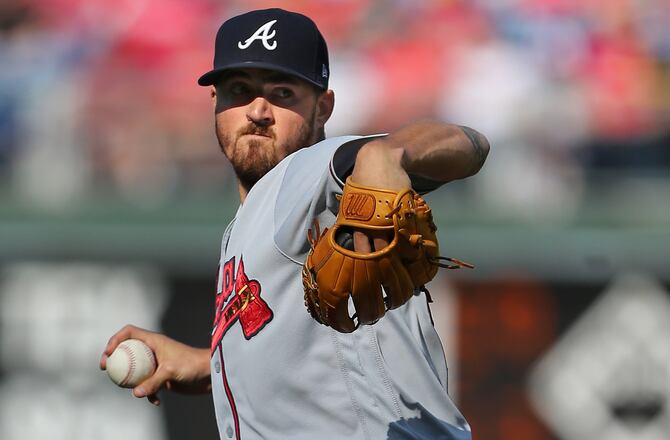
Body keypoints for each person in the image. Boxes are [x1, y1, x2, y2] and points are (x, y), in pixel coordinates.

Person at [100, 8, 489, 439]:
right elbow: (310, 373)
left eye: (283, 92)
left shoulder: (306, 174)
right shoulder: (247, 223)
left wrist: (385, 155)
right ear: (216, 103)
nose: (258, 110)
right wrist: (207, 363)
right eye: (239, 91)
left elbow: (469, 143)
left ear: (323, 108)